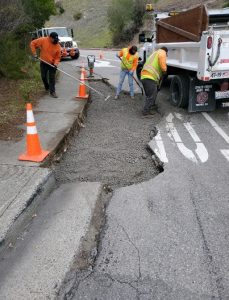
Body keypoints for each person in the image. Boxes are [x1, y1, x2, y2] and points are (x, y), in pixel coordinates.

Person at [30, 32, 61, 98]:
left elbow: (58, 57)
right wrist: (34, 53)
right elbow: (32, 43)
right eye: (54, 39)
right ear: (50, 37)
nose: (55, 41)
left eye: (56, 39)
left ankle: (52, 92)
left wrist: (55, 64)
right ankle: (47, 87)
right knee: (43, 76)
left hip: (52, 64)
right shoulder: (43, 40)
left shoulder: (58, 46)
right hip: (44, 62)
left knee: (51, 78)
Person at [141, 46, 168, 116]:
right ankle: (145, 112)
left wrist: (158, 84)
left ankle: (151, 106)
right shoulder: (162, 52)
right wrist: (165, 70)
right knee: (151, 96)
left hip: (145, 76)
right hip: (149, 76)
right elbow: (162, 64)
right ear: (165, 51)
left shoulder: (155, 53)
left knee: (150, 94)